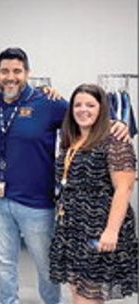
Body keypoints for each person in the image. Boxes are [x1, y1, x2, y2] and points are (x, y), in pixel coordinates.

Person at [0, 47, 128, 304]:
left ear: (27, 73)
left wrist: (117, 122)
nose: (10, 77)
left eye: (17, 71)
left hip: (36, 204)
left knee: (45, 266)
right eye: (4, 71)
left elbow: (85, 113)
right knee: (4, 262)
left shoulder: (47, 103)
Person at [49, 84, 138, 303]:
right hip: (72, 228)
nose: (83, 110)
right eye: (77, 105)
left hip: (99, 226)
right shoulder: (71, 139)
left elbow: (124, 188)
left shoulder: (114, 138)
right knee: (77, 292)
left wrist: (111, 231)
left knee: (88, 297)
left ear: (102, 109)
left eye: (90, 105)